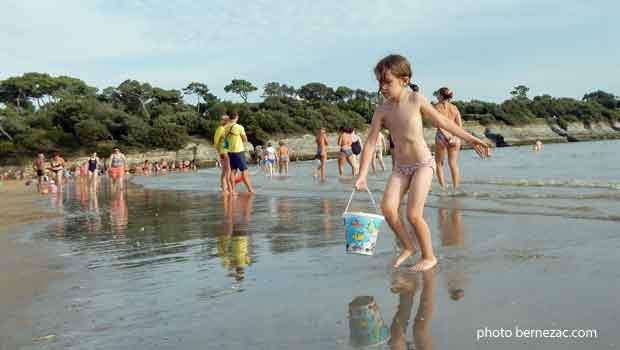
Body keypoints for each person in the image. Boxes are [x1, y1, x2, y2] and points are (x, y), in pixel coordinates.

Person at [354, 54, 490, 271]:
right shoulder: (382, 111)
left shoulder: (416, 99)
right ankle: (408, 246)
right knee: (388, 209)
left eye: (388, 81)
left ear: (404, 80)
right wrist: (362, 175)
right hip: (401, 168)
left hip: (422, 165)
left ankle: (429, 256)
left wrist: (471, 138)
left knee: (413, 214)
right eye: (380, 82)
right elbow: (370, 143)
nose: (383, 87)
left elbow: (442, 121)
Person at [434, 87, 464, 193]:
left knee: (438, 163)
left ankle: (443, 188)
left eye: (437, 94)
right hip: (455, 137)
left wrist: (447, 136)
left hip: (442, 136)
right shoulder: (455, 108)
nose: (436, 96)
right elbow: (459, 126)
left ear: (442, 96)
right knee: (453, 164)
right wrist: (455, 137)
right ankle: (456, 188)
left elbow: (438, 124)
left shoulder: (436, 107)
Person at [224, 111, 255, 193]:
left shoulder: (225, 127)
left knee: (233, 171)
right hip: (238, 151)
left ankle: (233, 190)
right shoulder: (239, 127)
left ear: (229, 117)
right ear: (237, 117)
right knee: (244, 171)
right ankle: (250, 190)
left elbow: (225, 141)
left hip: (229, 152)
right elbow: (245, 139)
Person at [213, 114, 234, 193]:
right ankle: (228, 189)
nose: (230, 122)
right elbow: (215, 142)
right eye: (228, 121)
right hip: (223, 152)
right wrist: (219, 152)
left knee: (225, 171)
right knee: (227, 171)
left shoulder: (225, 129)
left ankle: (224, 188)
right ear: (226, 121)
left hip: (226, 151)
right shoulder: (220, 129)